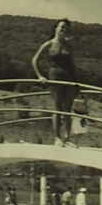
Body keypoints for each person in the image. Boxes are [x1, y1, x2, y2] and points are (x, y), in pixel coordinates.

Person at [32, 18, 79, 146]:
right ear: (56, 28)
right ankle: (57, 137)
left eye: (66, 28)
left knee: (68, 109)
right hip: (55, 77)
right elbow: (35, 60)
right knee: (58, 107)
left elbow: (73, 65)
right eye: (61, 27)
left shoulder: (69, 46)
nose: (63, 29)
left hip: (68, 78)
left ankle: (67, 138)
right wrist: (40, 76)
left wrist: (77, 82)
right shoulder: (49, 44)